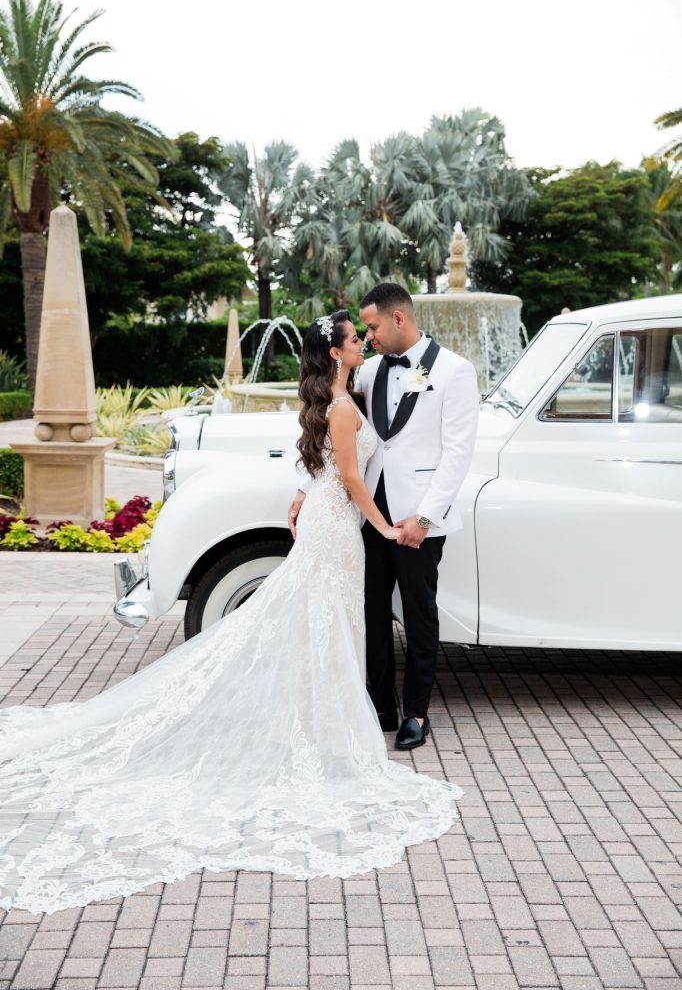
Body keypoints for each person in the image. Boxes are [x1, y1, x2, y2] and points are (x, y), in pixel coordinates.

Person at [0, 310, 463, 916]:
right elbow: (350, 474)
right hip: (344, 526)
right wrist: (384, 526)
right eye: (355, 339)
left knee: (322, 623)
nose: (365, 344)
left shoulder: (346, 392)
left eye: (364, 336)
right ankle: (325, 728)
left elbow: (332, 461)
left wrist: (316, 492)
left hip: (333, 522)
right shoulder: (346, 403)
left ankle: (323, 720)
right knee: (326, 622)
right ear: (337, 352)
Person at [290, 284, 479, 751]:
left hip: (418, 520)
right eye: (362, 331)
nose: (368, 336)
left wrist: (425, 518)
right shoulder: (369, 371)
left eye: (372, 327)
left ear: (398, 319)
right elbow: (328, 431)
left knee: (419, 617)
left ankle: (416, 712)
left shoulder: (455, 371)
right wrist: (303, 488)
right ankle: (380, 706)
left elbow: (458, 453)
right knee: (370, 615)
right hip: (368, 518)